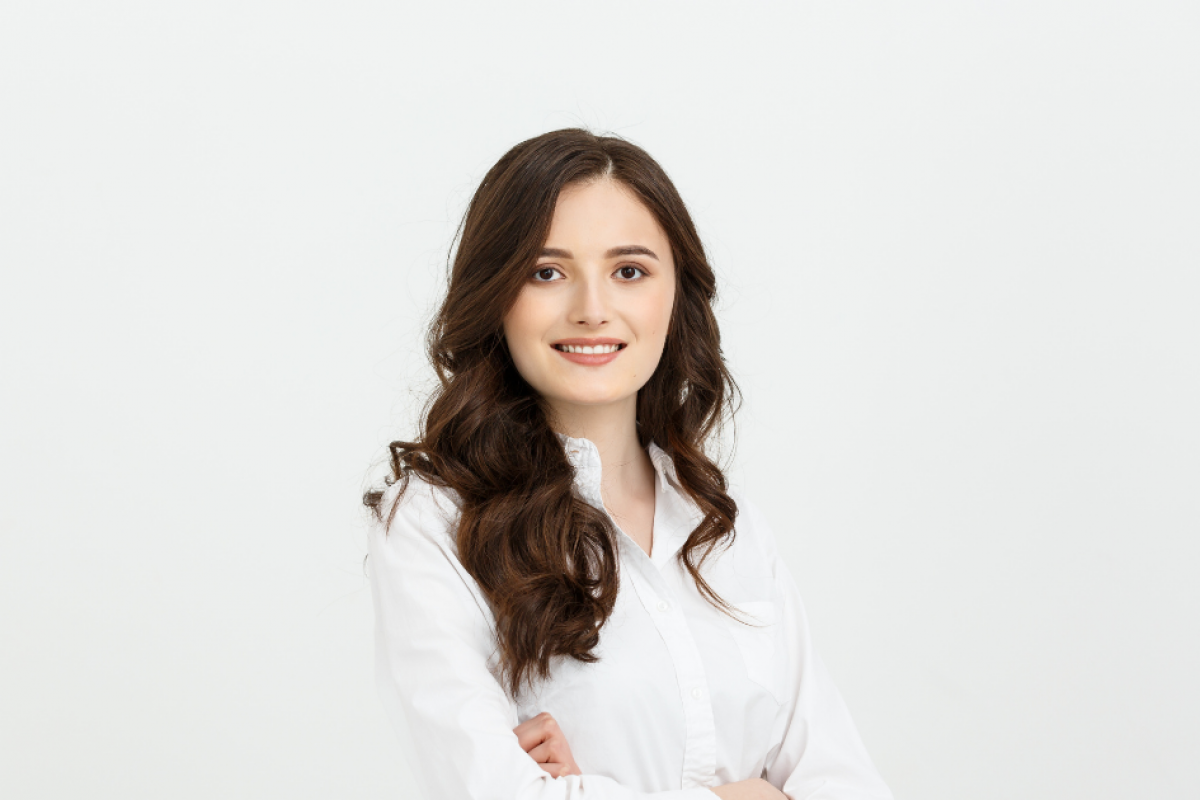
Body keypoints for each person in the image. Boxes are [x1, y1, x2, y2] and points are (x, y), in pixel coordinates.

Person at [364, 128, 893, 799]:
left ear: (676, 296)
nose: (592, 310)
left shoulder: (728, 532)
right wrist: (750, 794)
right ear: (496, 294)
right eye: (546, 272)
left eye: (629, 271)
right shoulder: (435, 523)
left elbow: (848, 781)